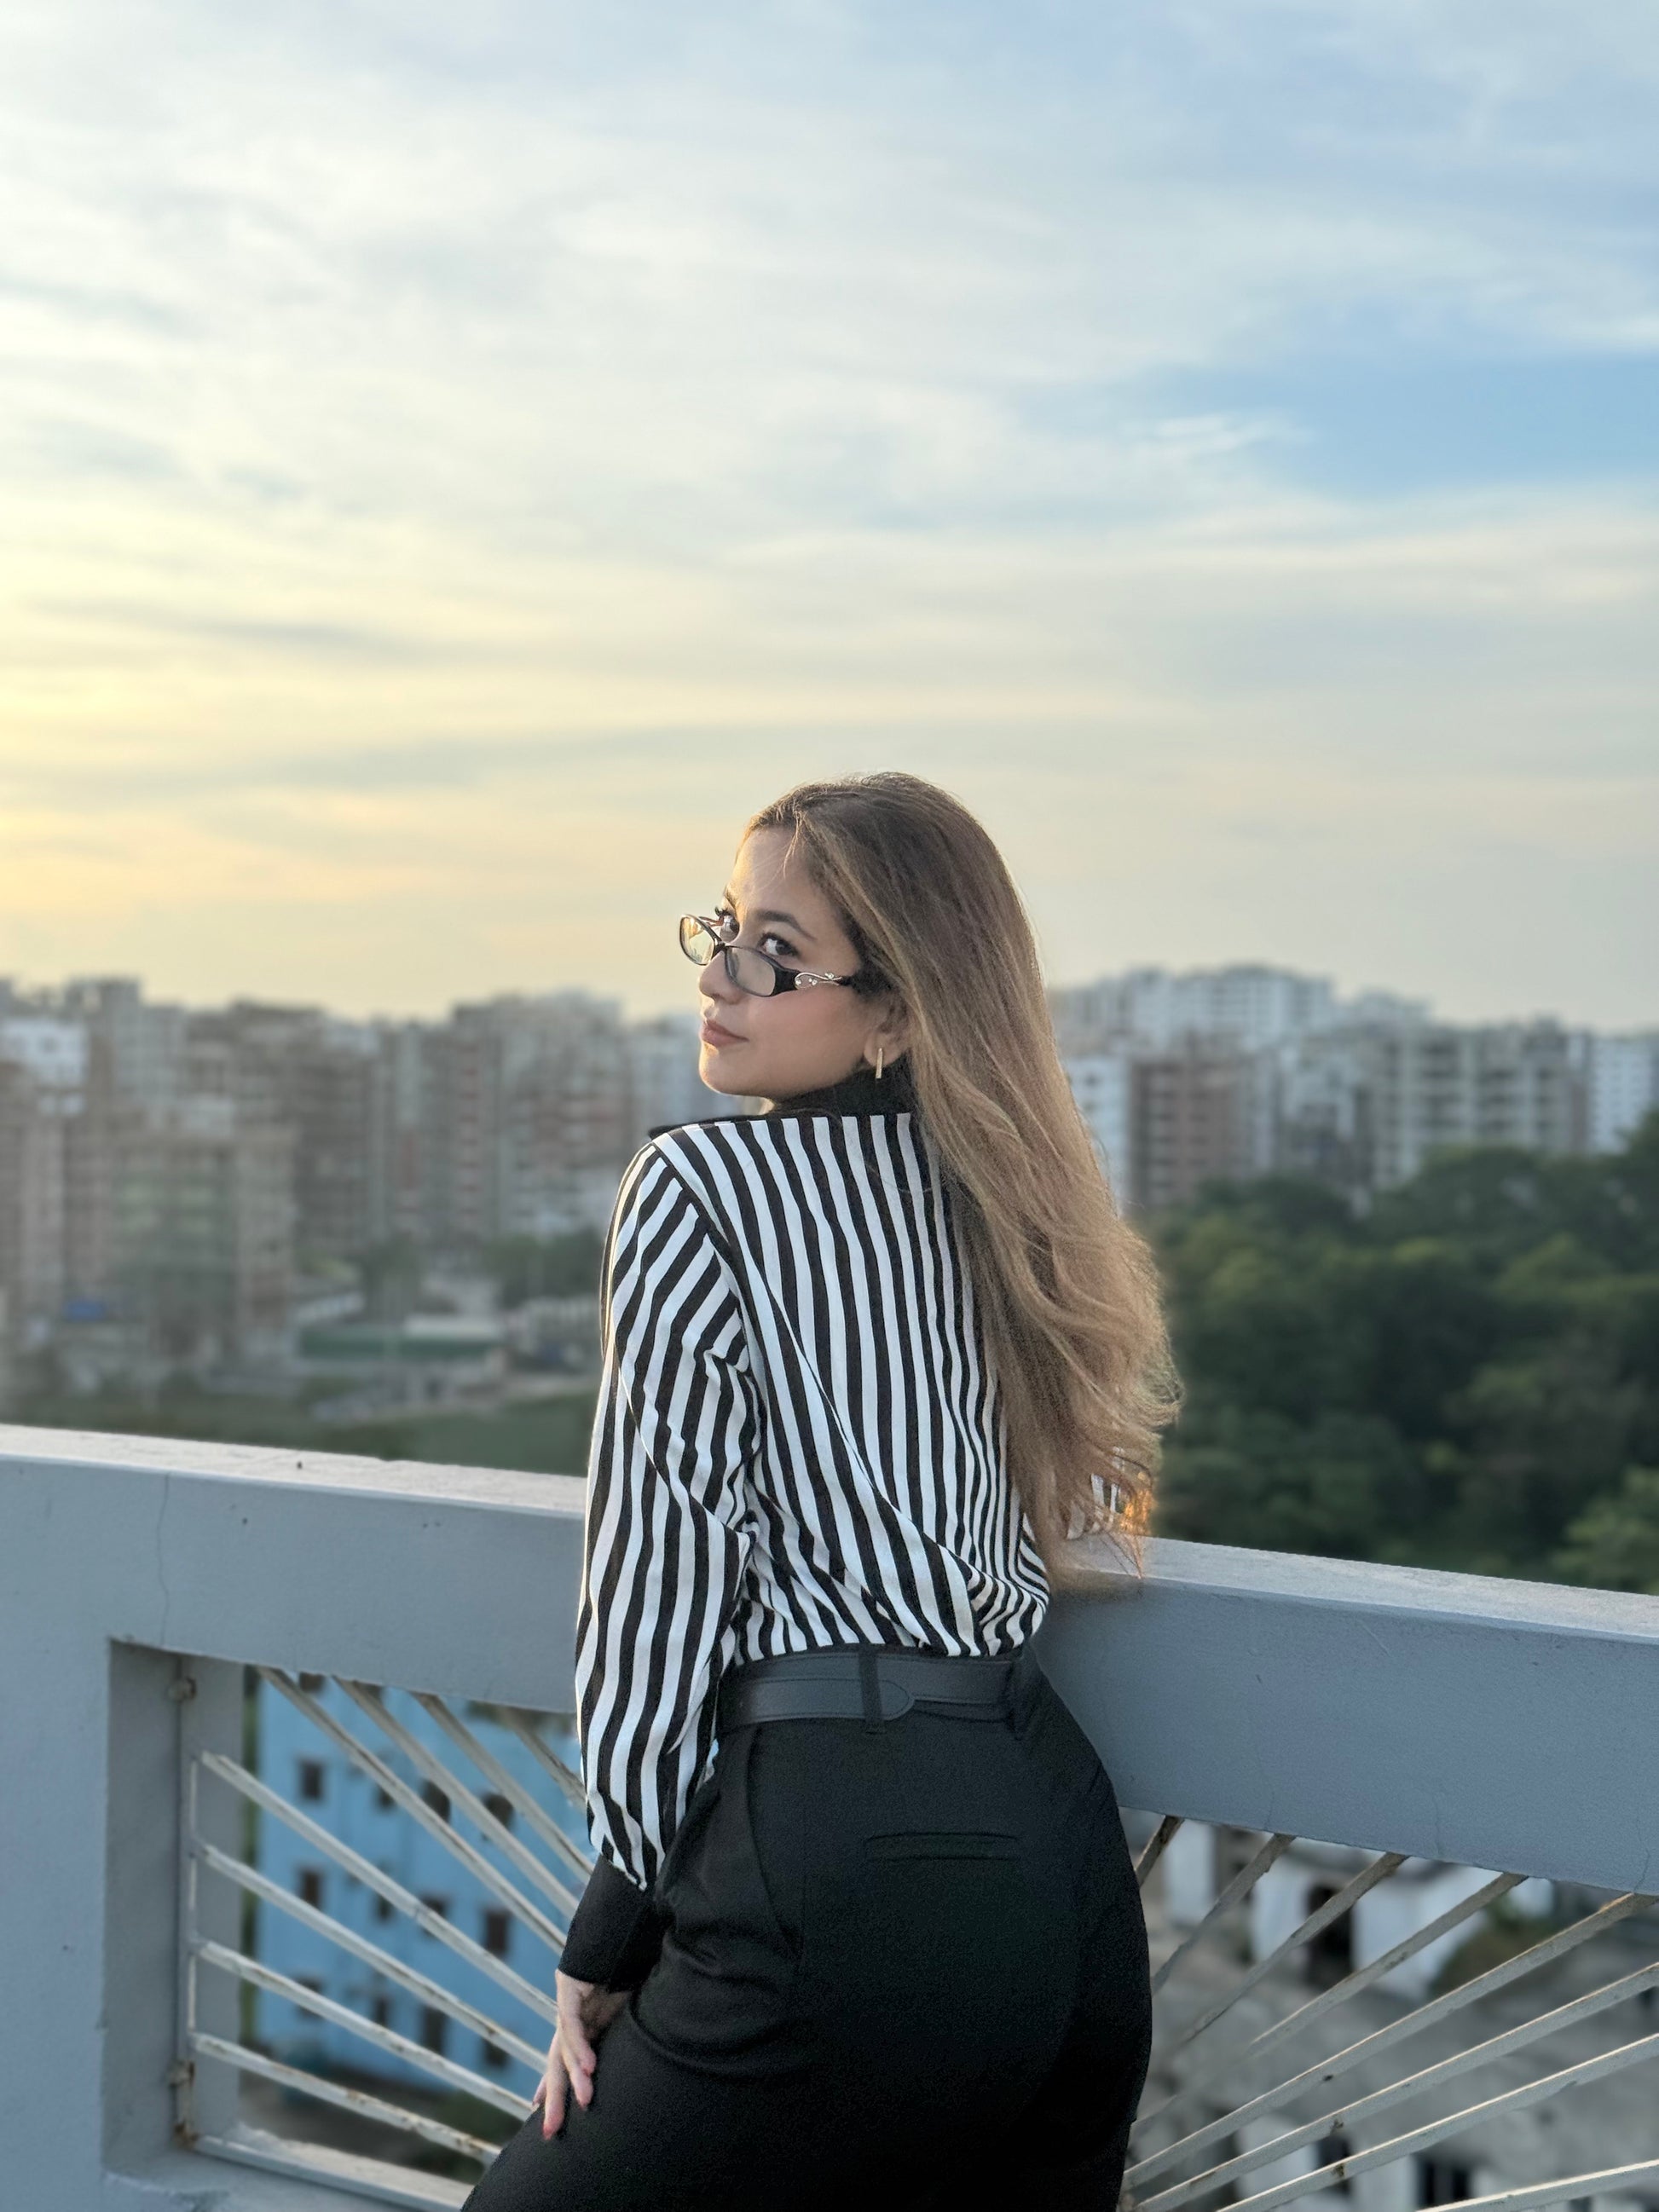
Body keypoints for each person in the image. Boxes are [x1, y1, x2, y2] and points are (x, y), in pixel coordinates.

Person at [463, 771, 1181, 2211]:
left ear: (900, 1010)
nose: (721, 979)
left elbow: (663, 1580)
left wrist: (606, 1932)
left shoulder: (696, 1187)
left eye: (776, 956)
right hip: (1056, 1857)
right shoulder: (998, 1199)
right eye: (725, 932)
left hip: (838, 1858)